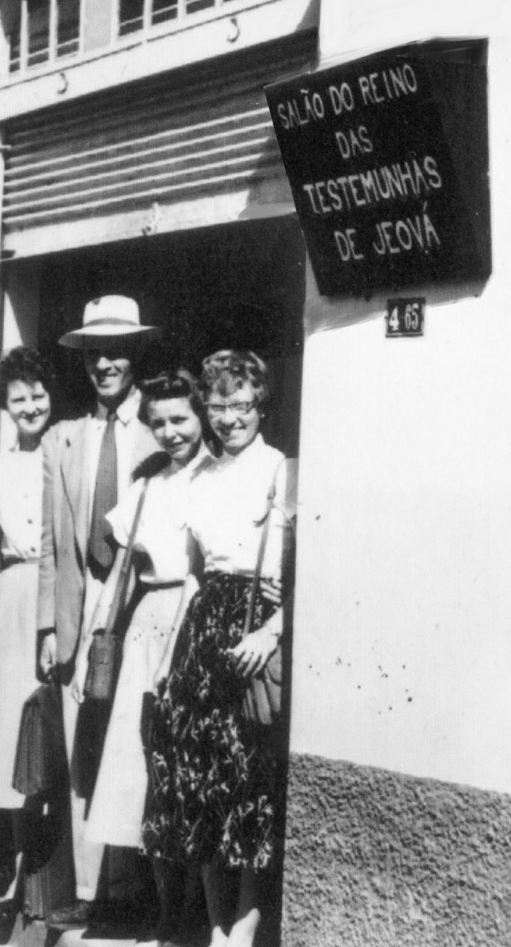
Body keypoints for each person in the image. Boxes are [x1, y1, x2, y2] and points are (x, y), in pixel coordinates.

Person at [142, 350, 297, 947]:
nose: (231, 418)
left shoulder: (282, 469)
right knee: (198, 785)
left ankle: (246, 927)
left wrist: (272, 631)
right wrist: (166, 660)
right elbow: (193, 575)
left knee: (248, 785)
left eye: (242, 404)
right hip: (202, 636)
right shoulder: (201, 476)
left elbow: (303, 571)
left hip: (255, 630)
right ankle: (213, 925)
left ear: (261, 404)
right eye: (219, 405)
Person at [71, 369, 213, 944]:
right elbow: (120, 575)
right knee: (140, 774)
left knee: (186, 774)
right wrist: (90, 645)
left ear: (202, 415)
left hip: (197, 624)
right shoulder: (149, 483)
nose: (170, 431)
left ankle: (197, 918)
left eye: (180, 418)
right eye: (158, 422)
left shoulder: (218, 479)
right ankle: (166, 914)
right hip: (146, 626)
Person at [37, 295, 162, 930]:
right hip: (78, 610)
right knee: (83, 751)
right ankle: (89, 887)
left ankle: (128, 889)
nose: (105, 363)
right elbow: (52, 545)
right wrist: (46, 625)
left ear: (135, 355)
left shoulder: (160, 433)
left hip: (135, 608)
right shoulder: (65, 437)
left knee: (127, 747)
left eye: (116, 351)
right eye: (94, 354)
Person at [0, 346, 56, 937]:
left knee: (43, 740)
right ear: (5, 406)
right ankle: (7, 873)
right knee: (1, 742)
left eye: (37, 394)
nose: (29, 405)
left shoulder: (65, 455)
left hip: (49, 604)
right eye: (17, 398)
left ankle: (40, 880)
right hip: (7, 604)